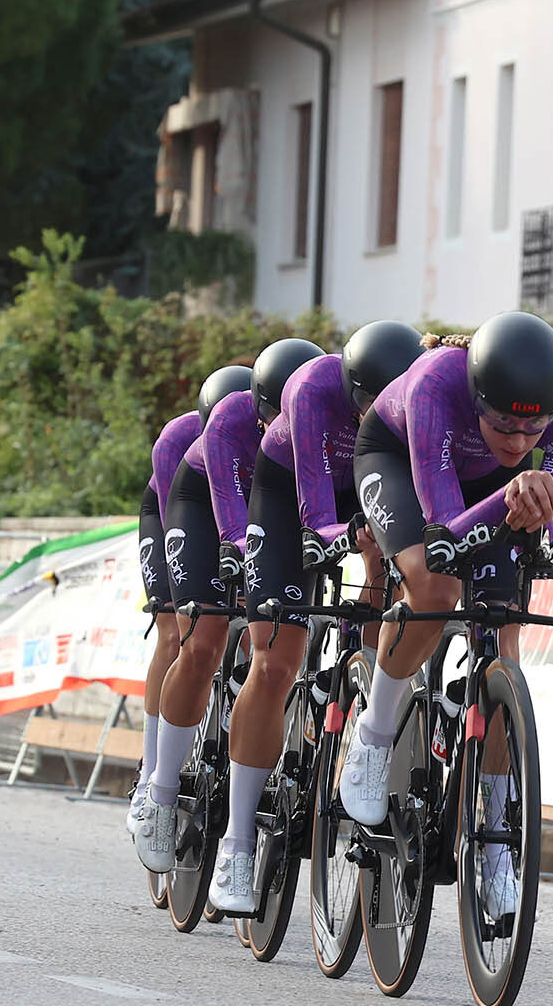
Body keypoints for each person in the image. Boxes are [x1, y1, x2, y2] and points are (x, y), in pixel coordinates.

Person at [342, 311, 553, 916]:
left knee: (505, 646)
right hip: (401, 461)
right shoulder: (435, 383)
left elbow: (545, 530)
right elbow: (442, 536)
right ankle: (374, 736)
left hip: (497, 488)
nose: (517, 439)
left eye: (534, 428)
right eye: (503, 422)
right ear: (477, 395)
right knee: (435, 590)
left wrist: (530, 516)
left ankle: (492, 844)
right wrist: (511, 499)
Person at [209, 320, 424, 913]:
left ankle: (358, 706)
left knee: (388, 594)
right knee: (275, 662)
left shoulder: (411, 407)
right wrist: (337, 536)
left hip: (365, 485)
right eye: (364, 405)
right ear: (351, 390)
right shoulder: (311, 389)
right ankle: (238, 838)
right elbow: (313, 502)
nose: (370, 415)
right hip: (288, 493)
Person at [135, 338, 324, 875]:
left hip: (270, 511)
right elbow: (228, 522)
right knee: (190, 636)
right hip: (190, 507)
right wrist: (238, 573)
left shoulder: (317, 426)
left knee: (275, 639)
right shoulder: (205, 433)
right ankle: (158, 785)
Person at [127, 366, 248, 826]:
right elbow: (180, 524)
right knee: (178, 634)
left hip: (243, 516)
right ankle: (150, 771)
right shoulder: (179, 438)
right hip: (175, 514)